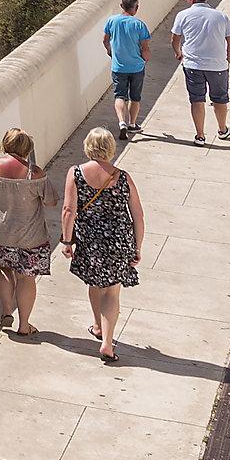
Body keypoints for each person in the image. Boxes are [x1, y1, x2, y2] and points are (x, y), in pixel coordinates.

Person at [0, 128, 59, 336]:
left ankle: (7, 311)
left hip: (0, 234)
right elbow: (51, 201)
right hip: (31, 237)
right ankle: (24, 325)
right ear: (27, 148)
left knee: (3, 268)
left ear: (5, 144)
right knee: (26, 278)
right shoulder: (34, 173)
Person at [63, 126, 144, 362]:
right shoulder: (123, 177)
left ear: (88, 147)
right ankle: (107, 343)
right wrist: (137, 246)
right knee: (113, 290)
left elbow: (69, 210)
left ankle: (98, 326)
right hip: (119, 240)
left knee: (95, 282)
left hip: (90, 240)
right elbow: (138, 214)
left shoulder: (76, 173)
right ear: (110, 148)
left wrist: (67, 241)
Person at [171, 0, 230, 143]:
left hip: (193, 65)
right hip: (218, 66)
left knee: (197, 99)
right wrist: (227, 60)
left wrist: (179, 53)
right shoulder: (220, 16)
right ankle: (222, 129)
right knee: (220, 99)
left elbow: (175, 39)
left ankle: (200, 135)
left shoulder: (183, 15)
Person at [101, 0, 151, 138]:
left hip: (118, 68)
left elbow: (105, 40)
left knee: (120, 96)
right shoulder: (139, 25)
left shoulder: (111, 21)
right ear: (136, 8)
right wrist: (145, 59)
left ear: (121, 6)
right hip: (136, 67)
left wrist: (111, 53)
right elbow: (145, 48)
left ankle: (121, 122)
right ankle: (132, 124)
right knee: (135, 97)